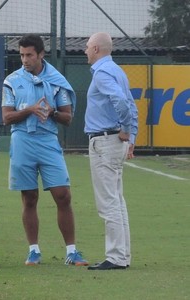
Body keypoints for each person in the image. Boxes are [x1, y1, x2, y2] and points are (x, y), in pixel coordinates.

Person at [2, 34, 88, 266]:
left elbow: (68, 118)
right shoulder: (12, 80)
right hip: (22, 141)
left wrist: (51, 113)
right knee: (29, 198)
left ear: (41, 54)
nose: (25, 59)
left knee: (63, 195)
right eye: (21, 55)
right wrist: (30, 110)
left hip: (48, 141)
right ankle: (33, 251)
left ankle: (71, 251)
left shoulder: (57, 80)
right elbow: (7, 117)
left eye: (29, 55)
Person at [84, 32, 138, 270]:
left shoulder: (102, 72)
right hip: (114, 141)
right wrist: (130, 135)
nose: (85, 50)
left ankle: (115, 257)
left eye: (87, 47)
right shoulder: (117, 70)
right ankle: (122, 255)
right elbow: (130, 104)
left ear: (96, 48)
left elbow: (122, 103)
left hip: (105, 141)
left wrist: (126, 129)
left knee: (108, 202)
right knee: (117, 200)